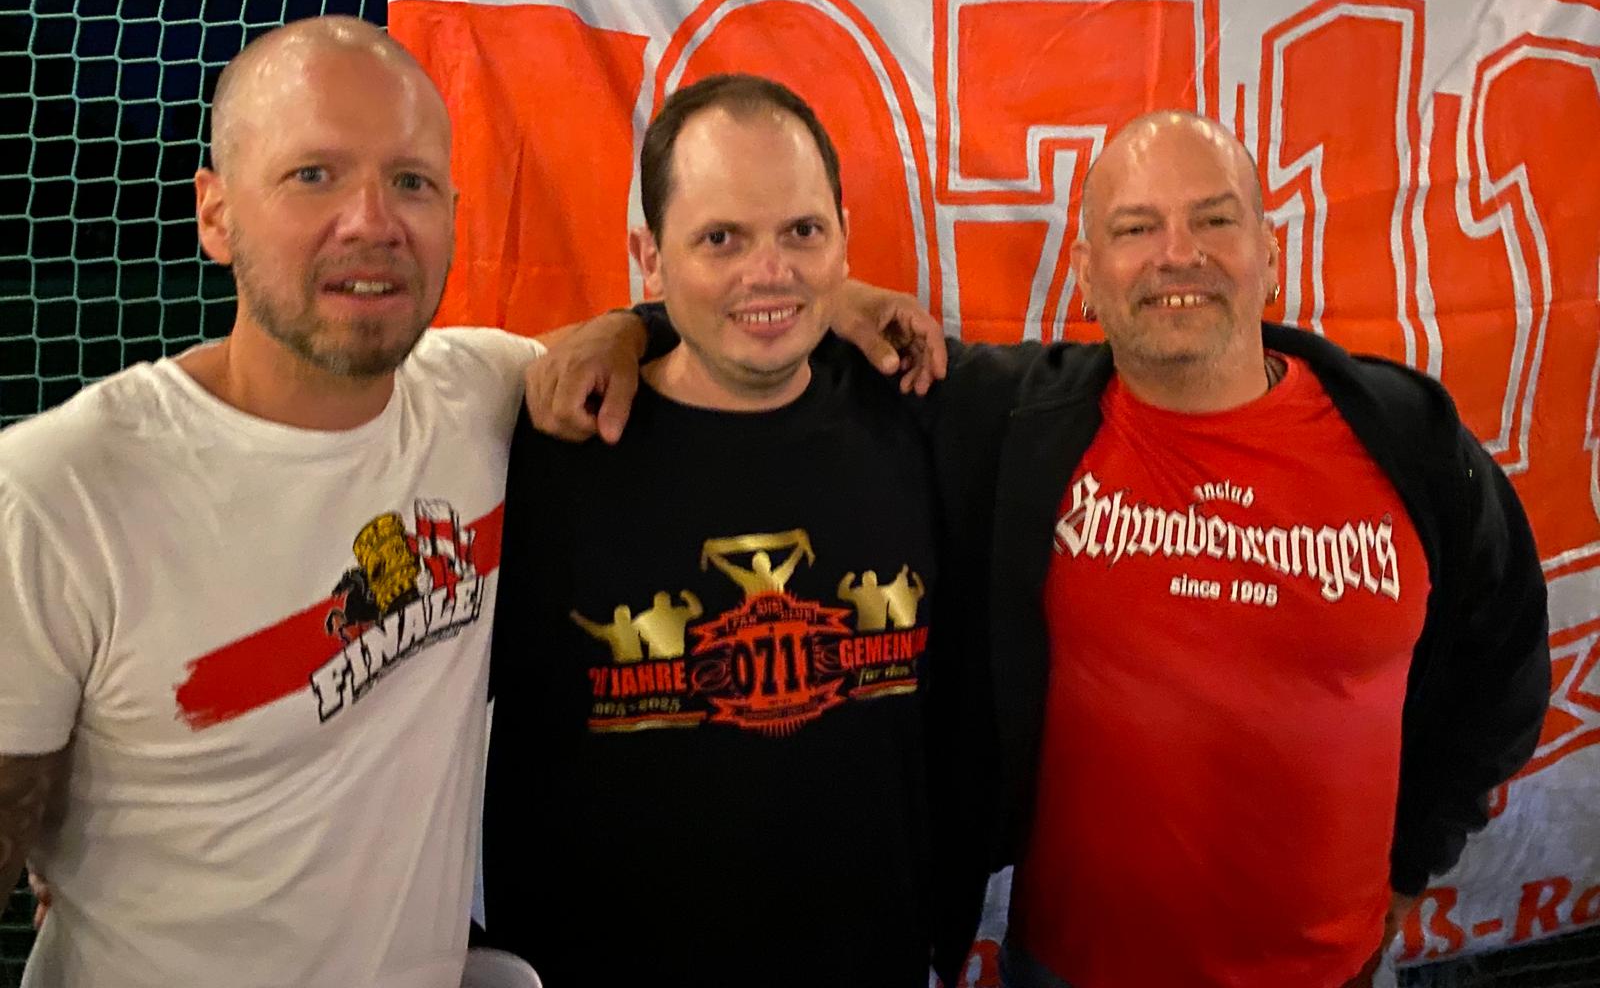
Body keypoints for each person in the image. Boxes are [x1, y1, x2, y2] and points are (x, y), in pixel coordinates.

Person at [530, 110, 1551, 988]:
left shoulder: (1407, 439)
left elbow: (1502, 666)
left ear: (1268, 250)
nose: (1177, 254)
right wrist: (630, 328)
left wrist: (1413, 860)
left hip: (1334, 972)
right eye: (1135, 228)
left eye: (1213, 220)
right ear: (1086, 272)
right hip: (1067, 968)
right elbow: (749, 317)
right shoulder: (1012, 419)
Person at [0, 16, 545, 988]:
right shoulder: (56, 491)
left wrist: (652, 329)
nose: (372, 221)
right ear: (215, 215)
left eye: (411, 182)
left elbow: (652, 352)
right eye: (313, 175)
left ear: (454, 216)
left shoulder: (489, 398)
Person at [480, 74, 943, 988]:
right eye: (721, 238)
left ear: (844, 238)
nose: (768, 272)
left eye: (801, 232)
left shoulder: (923, 415)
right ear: (649, 258)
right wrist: (627, 329)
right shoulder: (536, 446)